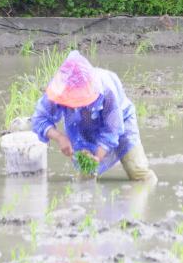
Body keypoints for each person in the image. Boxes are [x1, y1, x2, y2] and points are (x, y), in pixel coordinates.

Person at [31, 50, 157, 181]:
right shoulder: (60, 87)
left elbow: (112, 130)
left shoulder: (107, 90)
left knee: (138, 173)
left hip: (122, 122)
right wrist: (60, 138)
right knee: (85, 177)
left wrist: (97, 158)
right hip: (81, 129)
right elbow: (39, 118)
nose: (75, 105)